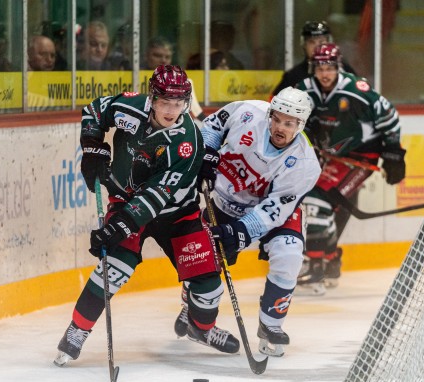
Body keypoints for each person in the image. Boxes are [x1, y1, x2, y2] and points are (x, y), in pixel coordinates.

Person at [54, 65, 240, 367]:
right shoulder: (129, 107)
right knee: (112, 269)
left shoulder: (187, 141)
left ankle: (200, 329)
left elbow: (154, 197)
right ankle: (77, 331)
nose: (172, 110)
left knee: (209, 288)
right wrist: (91, 148)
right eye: (165, 102)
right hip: (126, 198)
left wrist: (117, 227)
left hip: (178, 213)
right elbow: (94, 110)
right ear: (152, 97)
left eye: (179, 103)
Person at [173, 87, 321, 357]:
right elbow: (214, 124)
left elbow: (275, 209)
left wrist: (241, 232)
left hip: (275, 211)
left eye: (289, 124)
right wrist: (207, 152)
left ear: (301, 125)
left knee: (289, 254)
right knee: (203, 257)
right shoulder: (248, 112)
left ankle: (271, 326)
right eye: (277, 119)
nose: (280, 127)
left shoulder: (305, 163)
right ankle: (191, 307)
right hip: (227, 199)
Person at [295, 43, 405, 295]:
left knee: (316, 202)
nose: (325, 73)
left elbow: (388, 116)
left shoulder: (356, 89)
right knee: (314, 205)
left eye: (330, 68)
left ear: (338, 68)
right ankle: (330, 261)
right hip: (331, 156)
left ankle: (317, 267)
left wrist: (393, 153)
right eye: (320, 67)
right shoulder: (304, 90)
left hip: (361, 157)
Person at [272, 20, 355, 96]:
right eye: (312, 42)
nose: (317, 46)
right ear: (304, 44)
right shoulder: (293, 76)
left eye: (321, 42)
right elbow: (273, 103)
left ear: (330, 42)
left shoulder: (345, 70)